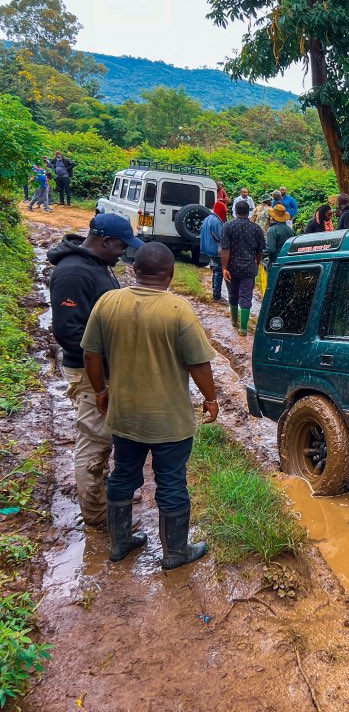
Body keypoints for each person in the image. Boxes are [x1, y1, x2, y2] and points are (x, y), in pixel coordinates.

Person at [81, 242, 217, 568]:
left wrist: (101, 390)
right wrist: (210, 399)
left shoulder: (109, 303)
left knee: (123, 475)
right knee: (170, 481)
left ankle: (121, 543)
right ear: (170, 274)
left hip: (125, 415)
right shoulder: (178, 310)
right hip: (169, 421)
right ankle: (175, 553)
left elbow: (90, 354)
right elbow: (199, 363)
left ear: (133, 270)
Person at [48, 214, 144, 529]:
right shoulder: (73, 273)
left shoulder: (96, 265)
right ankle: (97, 515)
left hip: (104, 370)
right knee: (95, 440)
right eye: (120, 247)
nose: (122, 253)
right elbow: (68, 331)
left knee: (109, 434)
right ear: (104, 241)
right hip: (89, 374)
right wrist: (104, 365)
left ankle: (106, 495)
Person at [220, 200, 265, 337]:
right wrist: (256, 263)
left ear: (235, 211)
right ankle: (243, 329)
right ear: (248, 212)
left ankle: (234, 321)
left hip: (232, 267)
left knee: (233, 294)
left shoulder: (228, 226)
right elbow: (260, 250)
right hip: (249, 268)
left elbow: (225, 249)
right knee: (246, 296)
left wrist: (224, 268)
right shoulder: (256, 228)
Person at [199, 207, 225, 301]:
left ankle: (215, 292)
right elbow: (221, 237)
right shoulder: (216, 222)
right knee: (218, 272)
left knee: (215, 271)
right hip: (216, 250)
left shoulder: (208, 218)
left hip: (208, 249)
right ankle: (217, 296)